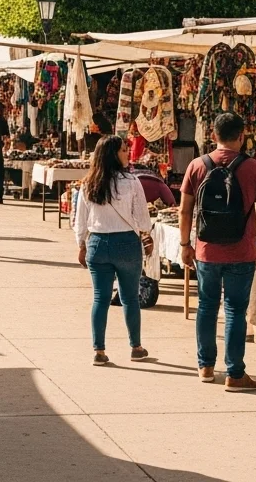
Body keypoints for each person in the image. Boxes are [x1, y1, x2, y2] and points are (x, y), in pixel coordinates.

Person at [177, 112, 256, 391]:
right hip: (241, 252)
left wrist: (185, 245)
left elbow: (185, 210)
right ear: (242, 136)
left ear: (213, 136)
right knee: (235, 310)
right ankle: (235, 373)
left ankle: (205, 366)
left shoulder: (197, 165)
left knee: (206, 306)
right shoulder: (255, 168)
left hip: (207, 251)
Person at [74, 136, 153, 366]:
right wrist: (146, 233)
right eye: (123, 150)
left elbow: (80, 220)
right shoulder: (131, 181)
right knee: (130, 298)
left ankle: (99, 350)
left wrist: (81, 245)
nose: (128, 153)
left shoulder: (88, 183)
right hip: (127, 244)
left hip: (97, 244)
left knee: (100, 298)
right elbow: (142, 218)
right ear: (112, 154)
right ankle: (135, 347)